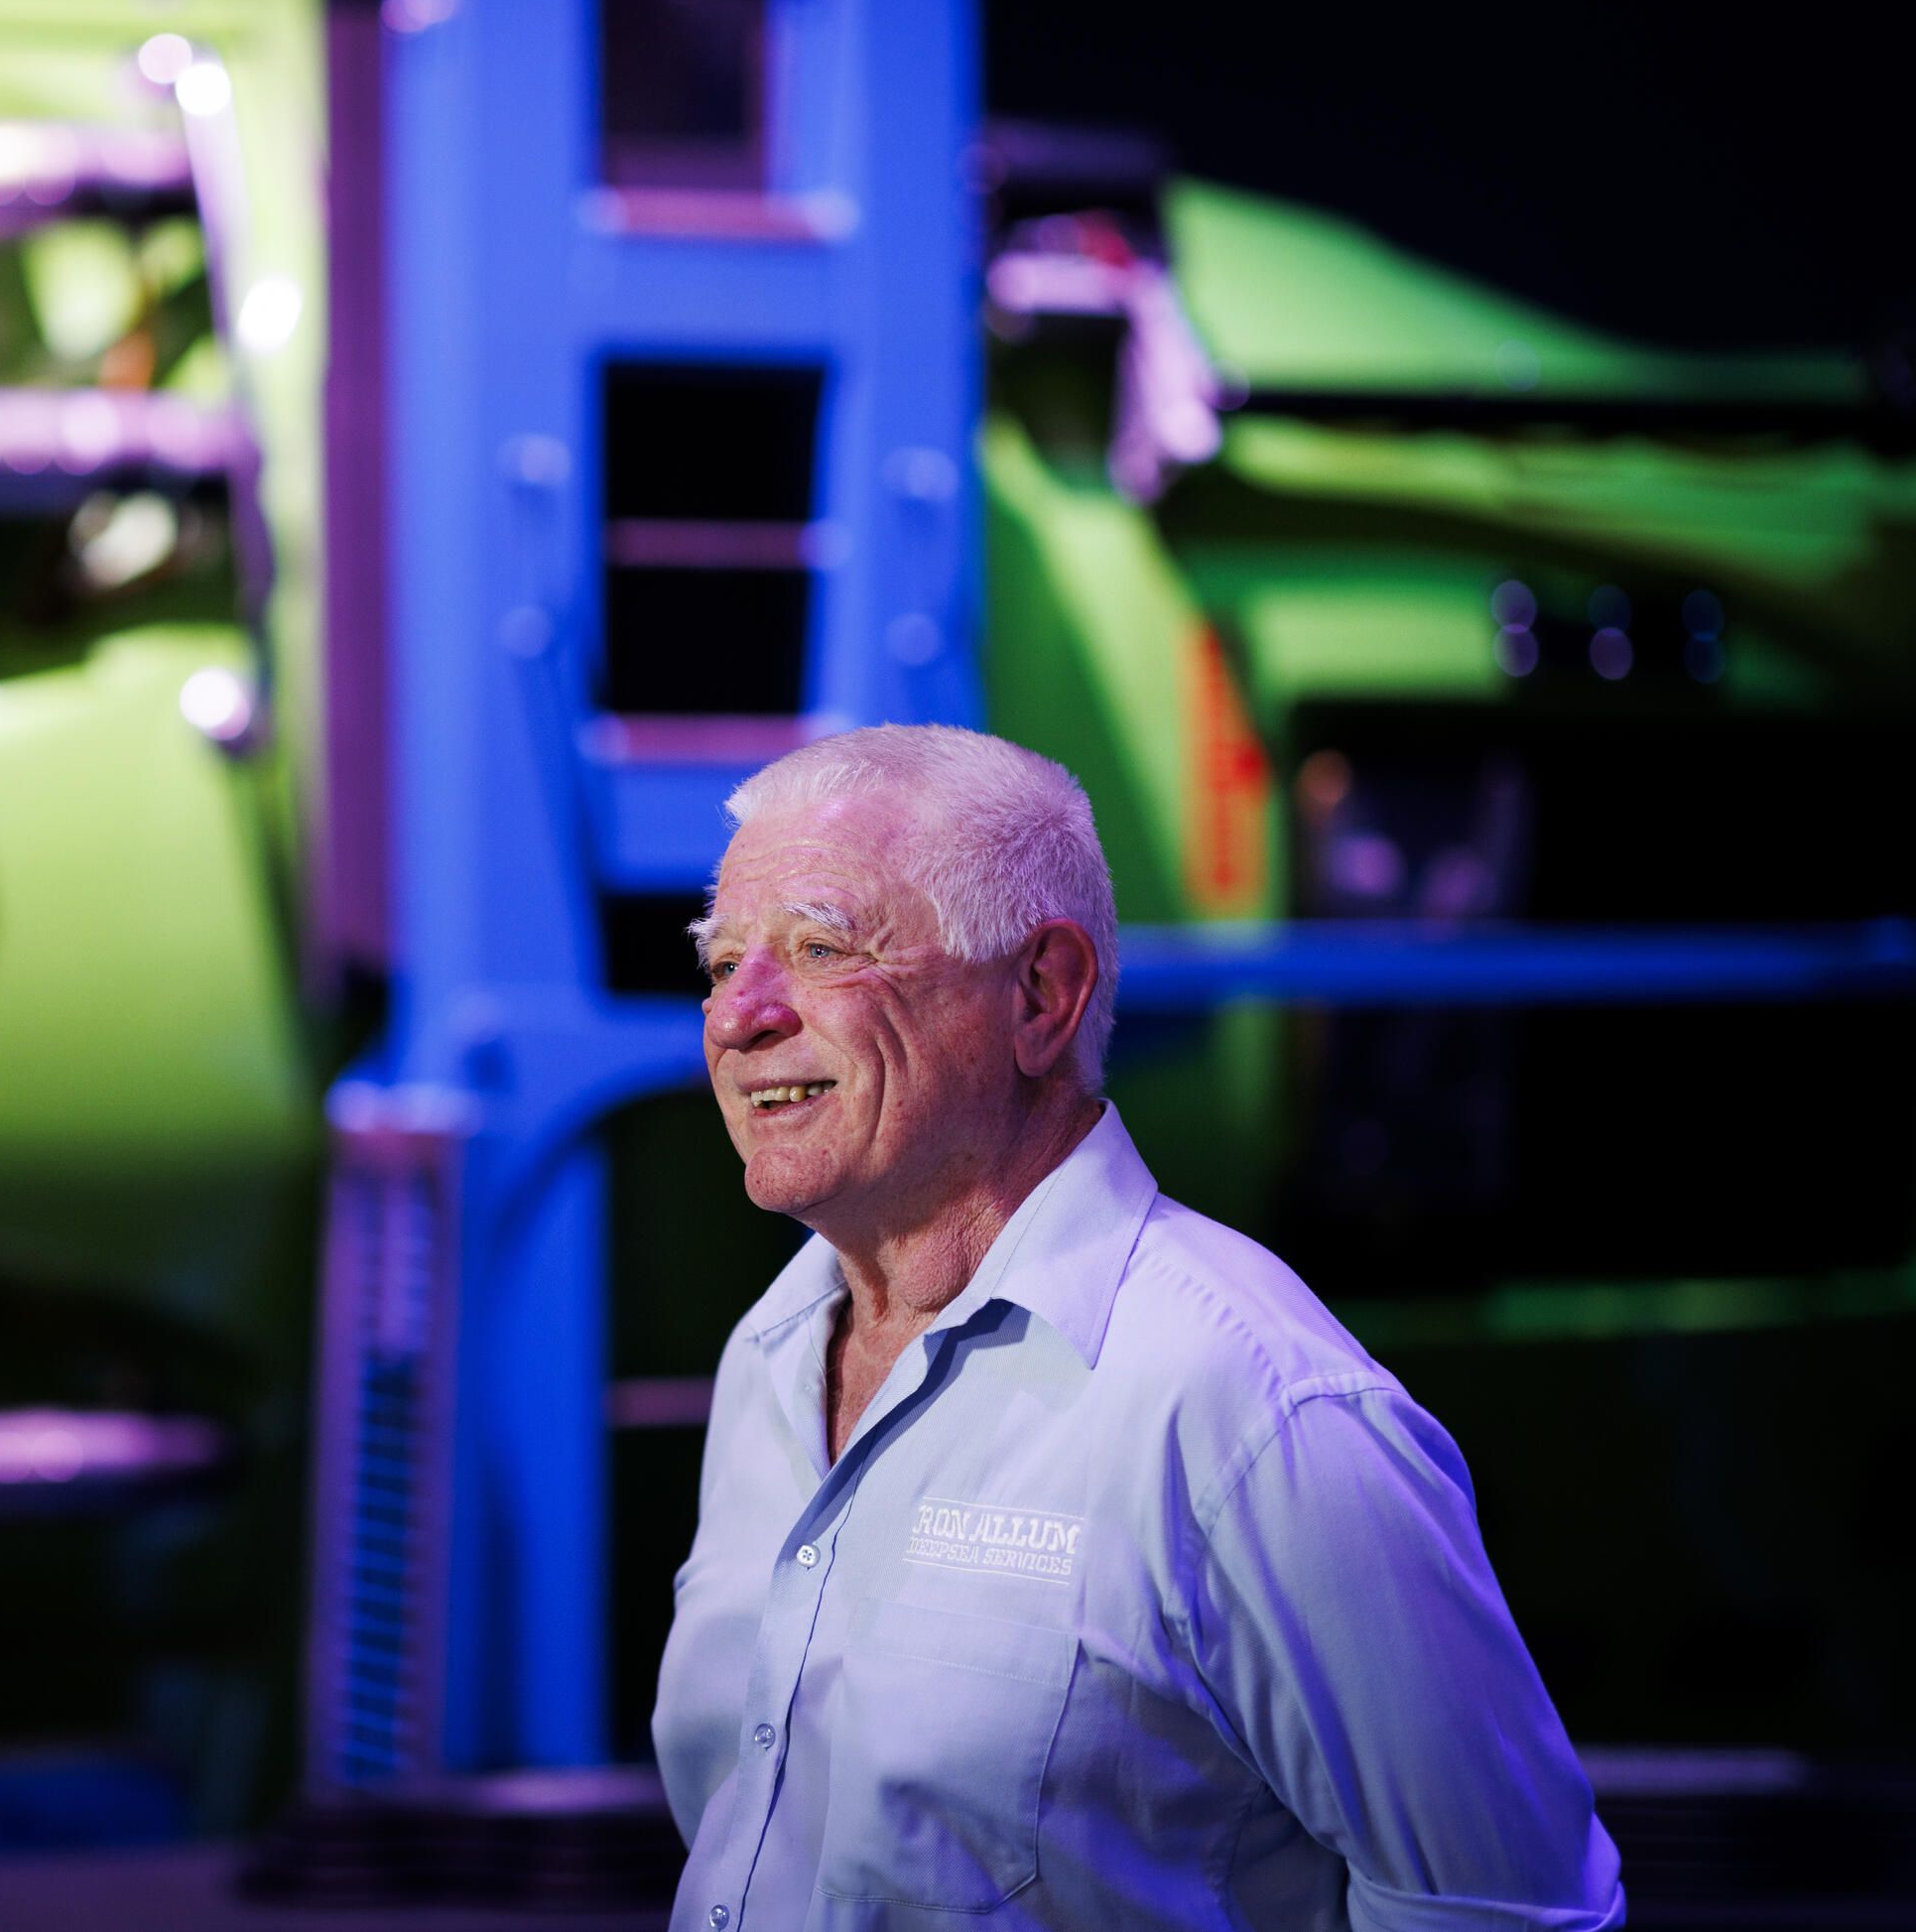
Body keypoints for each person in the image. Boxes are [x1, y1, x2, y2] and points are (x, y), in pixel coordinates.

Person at [651, 724, 1621, 1931]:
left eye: (820, 947)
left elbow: (1504, 1910)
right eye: (721, 960)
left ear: (1042, 995)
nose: (739, 1017)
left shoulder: (1257, 1410)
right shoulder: (772, 1352)